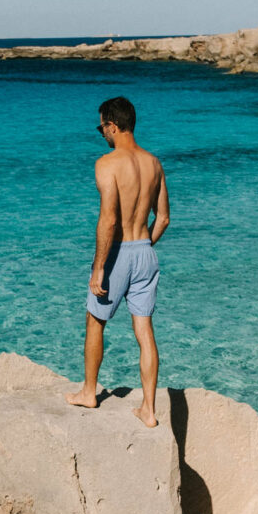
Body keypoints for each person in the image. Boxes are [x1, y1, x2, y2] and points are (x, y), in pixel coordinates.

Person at [65, 97, 170, 427]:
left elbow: (109, 220)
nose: (101, 134)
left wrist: (100, 267)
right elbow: (163, 218)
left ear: (112, 125)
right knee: (144, 330)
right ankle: (149, 411)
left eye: (101, 127)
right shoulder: (154, 163)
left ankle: (88, 393)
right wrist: (143, 247)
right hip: (145, 252)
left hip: (119, 254)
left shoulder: (106, 164)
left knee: (95, 321)